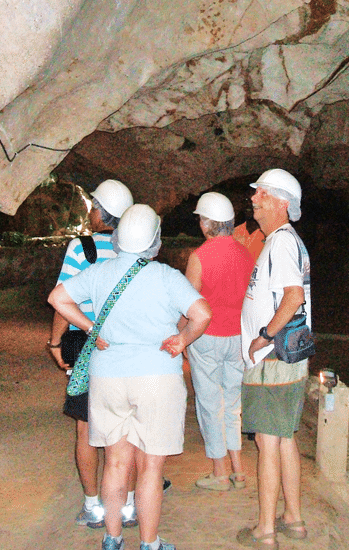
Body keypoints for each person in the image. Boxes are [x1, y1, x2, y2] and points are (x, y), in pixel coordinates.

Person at [48, 204, 212, 550]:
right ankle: (150, 543)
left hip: (108, 376)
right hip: (157, 378)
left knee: (115, 461)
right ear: (155, 241)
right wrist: (182, 340)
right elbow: (202, 314)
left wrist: (92, 327)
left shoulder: (100, 273)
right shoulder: (167, 276)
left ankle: (112, 538)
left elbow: (58, 298)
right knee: (151, 467)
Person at [47, 179, 136, 529]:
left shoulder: (80, 247)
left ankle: (93, 506)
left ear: (99, 212)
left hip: (84, 341)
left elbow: (62, 298)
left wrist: (55, 345)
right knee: (125, 427)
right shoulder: (135, 251)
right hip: (125, 343)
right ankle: (127, 505)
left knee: (86, 427)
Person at [236, 169, 311, 549]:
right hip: (285, 359)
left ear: (281, 202)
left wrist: (263, 336)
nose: (254, 199)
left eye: (261, 193)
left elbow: (293, 296)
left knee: (267, 441)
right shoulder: (283, 241)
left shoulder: (281, 243)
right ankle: (292, 518)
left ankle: (265, 529)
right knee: (283, 438)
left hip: (273, 359)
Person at [185, 192, 254, 491]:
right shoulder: (246, 254)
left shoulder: (199, 256)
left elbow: (189, 303)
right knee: (233, 403)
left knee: (210, 403)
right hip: (238, 337)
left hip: (208, 337)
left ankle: (219, 472)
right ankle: (239, 470)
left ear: (208, 223)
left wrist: (180, 337)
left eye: (201, 219)